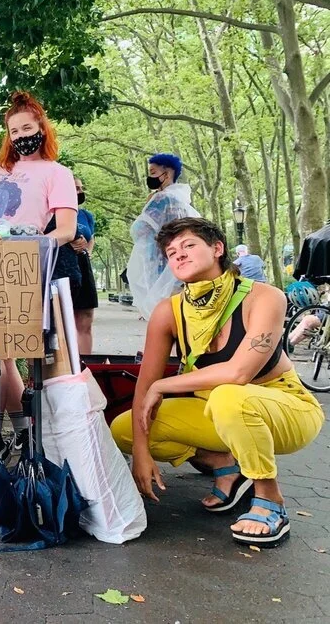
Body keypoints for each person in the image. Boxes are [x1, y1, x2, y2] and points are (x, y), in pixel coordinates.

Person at [111, 218, 323, 546]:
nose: (178, 255)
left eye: (189, 245)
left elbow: (239, 373)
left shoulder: (265, 297)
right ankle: (226, 464)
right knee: (125, 429)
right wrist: (140, 449)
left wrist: (162, 387)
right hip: (215, 409)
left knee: (228, 396)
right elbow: (145, 384)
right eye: (170, 252)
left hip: (286, 409)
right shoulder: (169, 312)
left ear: (217, 249)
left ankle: (270, 500)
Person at [0, 90, 78, 485]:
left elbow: (65, 228)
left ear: (42, 129)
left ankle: (16, 438)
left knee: (10, 352)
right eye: (13, 130)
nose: (20, 136)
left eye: (27, 128)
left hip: (26, 269)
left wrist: (35, 238)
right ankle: (2, 440)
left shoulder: (56, 173)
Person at [126, 153, 199, 319]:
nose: (149, 177)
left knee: (165, 315)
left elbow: (140, 228)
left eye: (153, 172)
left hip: (162, 265)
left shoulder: (161, 198)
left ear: (166, 175)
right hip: (179, 265)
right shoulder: (182, 200)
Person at [70, 176, 98, 354]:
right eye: (75, 188)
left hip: (83, 265)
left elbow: (91, 238)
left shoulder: (86, 215)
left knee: (85, 319)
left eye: (80, 188)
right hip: (62, 266)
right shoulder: (51, 212)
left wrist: (86, 250)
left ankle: (87, 367)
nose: (79, 192)